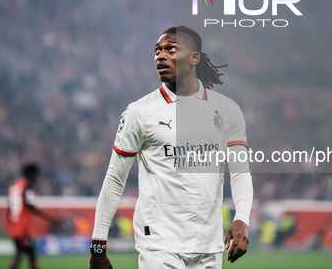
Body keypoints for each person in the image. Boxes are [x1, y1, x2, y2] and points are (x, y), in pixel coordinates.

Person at [90, 26, 253, 269]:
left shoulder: (228, 111)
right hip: (159, 245)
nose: (160, 56)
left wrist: (242, 218)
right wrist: (98, 244)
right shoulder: (140, 112)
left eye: (170, 49)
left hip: (208, 247)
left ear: (194, 57)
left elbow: (240, 172)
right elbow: (115, 177)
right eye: (157, 51)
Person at [6, 163, 57, 269]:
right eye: (36, 175)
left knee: (30, 253)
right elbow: (31, 207)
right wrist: (50, 218)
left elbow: (11, 206)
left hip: (15, 225)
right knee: (21, 254)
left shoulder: (15, 185)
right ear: (31, 174)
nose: (37, 178)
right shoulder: (26, 186)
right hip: (23, 228)